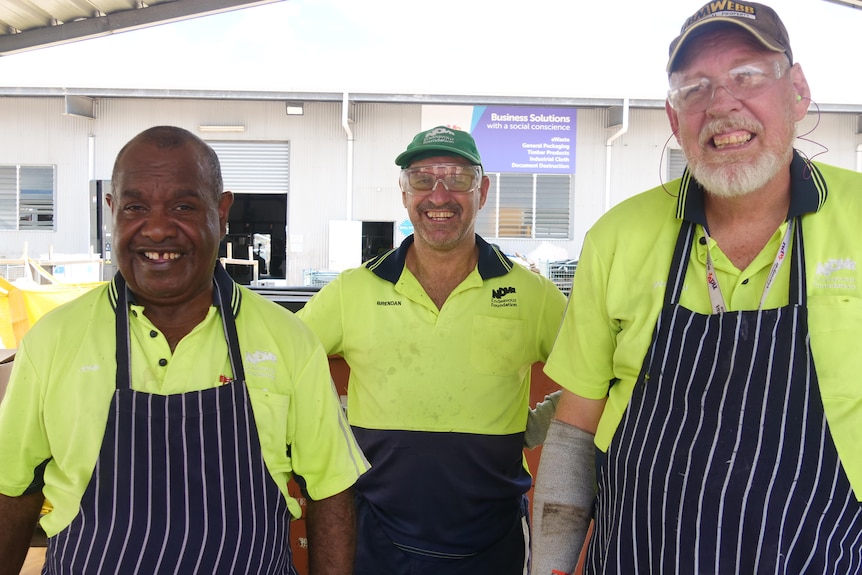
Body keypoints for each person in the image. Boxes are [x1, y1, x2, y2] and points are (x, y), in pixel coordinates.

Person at [532, 2, 862, 574]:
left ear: (798, 91)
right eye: (695, 88)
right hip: (638, 554)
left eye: (747, 76)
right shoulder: (617, 237)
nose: (721, 104)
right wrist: (550, 567)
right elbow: (574, 428)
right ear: (672, 116)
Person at [0, 126, 369, 575]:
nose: (156, 229)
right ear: (112, 211)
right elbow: (11, 489)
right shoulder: (53, 340)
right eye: (136, 207)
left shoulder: (288, 341)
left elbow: (330, 490)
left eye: (183, 206)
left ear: (222, 211)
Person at [296, 126, 567, 574]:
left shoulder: (532, 294)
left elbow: (601, 371)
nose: (439, 196)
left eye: (458, 178)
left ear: (483, 190)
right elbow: (284, 364)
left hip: (492, 541)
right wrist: (332, 420)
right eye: (422, 178)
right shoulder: (353, 290)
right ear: (404, 193)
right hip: (378, 538)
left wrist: (536, 426)